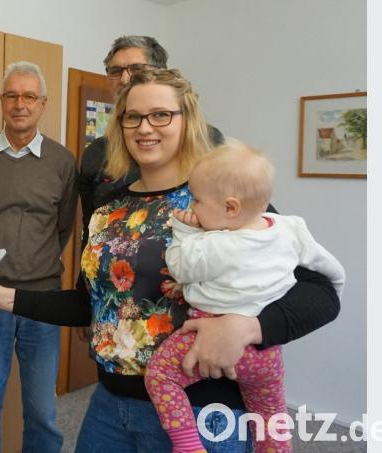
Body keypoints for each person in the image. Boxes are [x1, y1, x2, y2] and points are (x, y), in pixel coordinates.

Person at [0, 68, 341, 452]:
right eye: (133, 116)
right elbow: (91, 304)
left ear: (187, 120)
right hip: (109, 405)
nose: (145, 128)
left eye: (161, 115)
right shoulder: (107, 208)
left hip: (199, 410)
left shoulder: (218, 201)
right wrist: (6, 298)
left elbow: (322, 293)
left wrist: (250, 328)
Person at [144, 142, 346, 453]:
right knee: (270, 414)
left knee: (160, 377)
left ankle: (188, 446)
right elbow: (328, 269)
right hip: (265, 355)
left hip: (207, 337)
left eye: (196, 200)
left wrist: (185, 231)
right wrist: (339, 284)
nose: (193, 206)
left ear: (230, 208)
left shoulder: (217, 245)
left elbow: (181, 268)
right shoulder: (288, 227)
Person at [0, 61, 78, 453]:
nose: (20, 104)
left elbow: (63, 227)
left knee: (43, 409)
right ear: (2, 101)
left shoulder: (62, 162)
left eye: (29, 96)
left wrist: (34, 263)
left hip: (43, 301)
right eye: (12, 95)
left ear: (43, 104)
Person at [78, 35, 225, 253]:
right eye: (116, 71)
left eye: (137, 69)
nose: (125, 79)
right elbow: (90, 237)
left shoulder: (208, 142)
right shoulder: (97, 154)